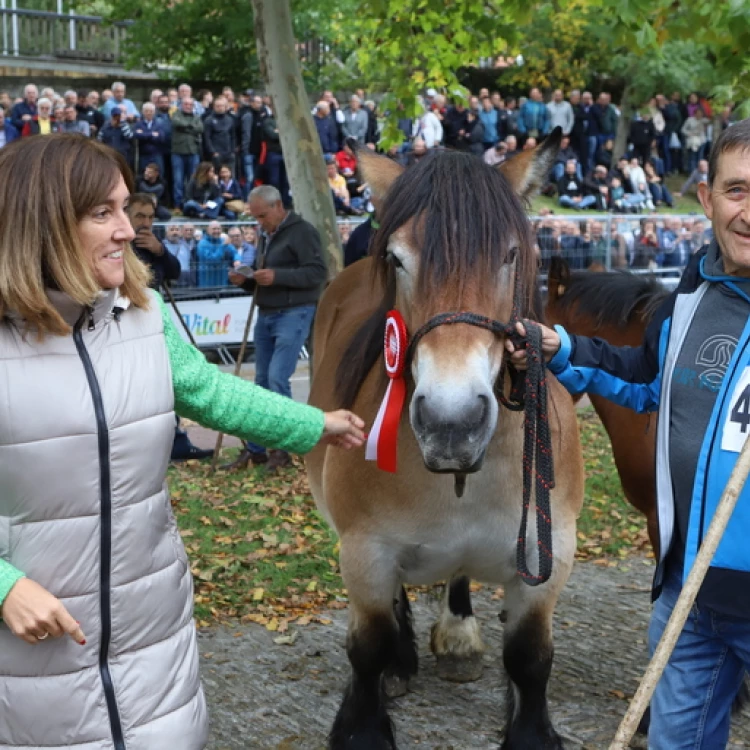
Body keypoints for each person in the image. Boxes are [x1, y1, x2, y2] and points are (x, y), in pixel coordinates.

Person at [0, 134, 365, 750]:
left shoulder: (144, 315)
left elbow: (209, 393)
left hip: (153, 634)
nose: (127, 230)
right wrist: (5, 587)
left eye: (126, 209)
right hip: (29, 659)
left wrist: (314, 424)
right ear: (42, 224)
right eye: (103, 213)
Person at [506, 118, 750, 750]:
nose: (749, 210)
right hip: (688, 595)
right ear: (706, 198)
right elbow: (646, 382)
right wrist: (561, 347)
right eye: (737, 190)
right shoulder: (687, 300)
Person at [224, 185, 327, 471]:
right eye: (256, 218)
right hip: (267, 311)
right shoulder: (266, 236)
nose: (259, 223)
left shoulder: (303, 232)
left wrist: (277, 276)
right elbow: (265, 276)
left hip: (294, 312)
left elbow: (317, 273)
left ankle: (283, 449)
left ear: (278, 206)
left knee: (277, 378)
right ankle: (257, 448)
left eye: (262, 216)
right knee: (261, 382)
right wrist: (245, 280)